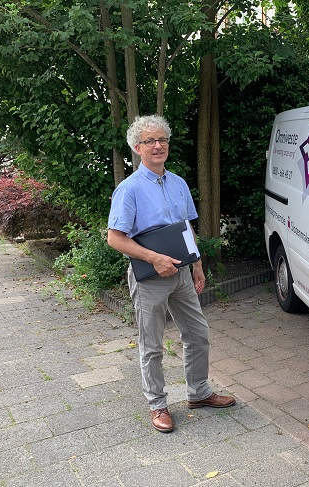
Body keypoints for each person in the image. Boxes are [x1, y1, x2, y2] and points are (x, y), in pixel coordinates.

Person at [107, 115, 235, 433]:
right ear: (137, 148)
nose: (158, 145)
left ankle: (199, 392)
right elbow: (115, 238)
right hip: (149, 278)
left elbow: (186, 227)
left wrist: (197, 264)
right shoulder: (129, 189)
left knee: (197, 333)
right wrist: (154, 258)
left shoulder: (178, 183)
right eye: (150, 141)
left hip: (181, 273)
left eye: (162, 139)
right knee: (152, 344)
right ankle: (157, 404)